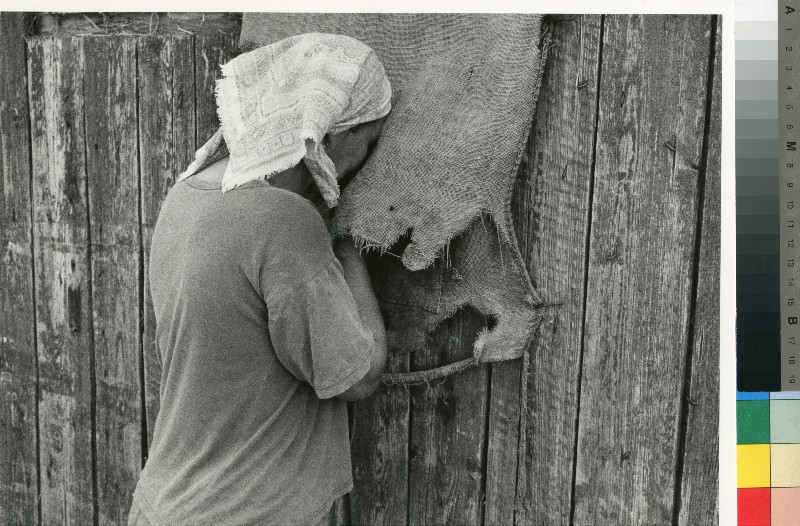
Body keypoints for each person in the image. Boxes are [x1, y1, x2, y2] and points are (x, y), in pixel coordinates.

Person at [128, 33, 390, 526]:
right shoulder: (283, 222)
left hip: (165, 503)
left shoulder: (183, 196)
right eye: (370, 140)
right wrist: (347, 243)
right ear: (330, 136)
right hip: (245, 513)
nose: (370, 158)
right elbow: (360, 374)